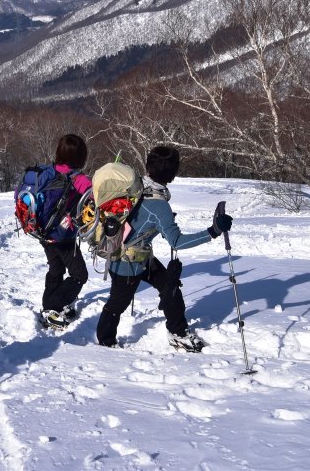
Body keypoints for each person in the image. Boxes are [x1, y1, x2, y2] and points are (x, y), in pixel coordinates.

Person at [95, 145, 233, 350]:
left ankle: (178, 331)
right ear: (173, 173)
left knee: (170, 285)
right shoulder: (159, 205)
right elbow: (177, 242)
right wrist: (212, 232)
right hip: (126, 261)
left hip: (140, 256)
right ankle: (106, 342)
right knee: (117, 303)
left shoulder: (138, 186)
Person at [40, 134, 93, 329]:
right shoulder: (78, 179)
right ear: (81, 156)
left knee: (56, 269)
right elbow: (97, 197)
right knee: (79, 275)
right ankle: (54, 308)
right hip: (64, 236)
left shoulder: (46, 172)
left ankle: (49, 305)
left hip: (42, 232)